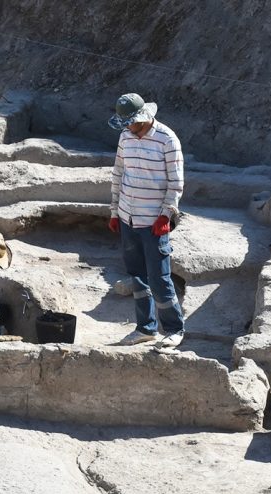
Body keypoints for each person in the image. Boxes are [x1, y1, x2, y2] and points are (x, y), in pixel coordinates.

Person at [107, 93, 185, 348]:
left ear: (142, 118)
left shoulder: (167, 139)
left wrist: (166, 215)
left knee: (159, 277)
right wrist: (114, 211)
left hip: (153, 222)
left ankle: (174, 329)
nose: (128, 127)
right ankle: (145, 328)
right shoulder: (125, 137)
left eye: (130, 122)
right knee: (138, 276)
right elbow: (119, 173)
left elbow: (175, 183)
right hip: (128, 216)